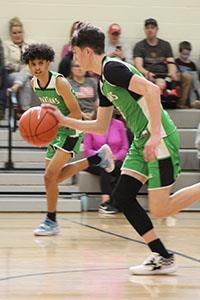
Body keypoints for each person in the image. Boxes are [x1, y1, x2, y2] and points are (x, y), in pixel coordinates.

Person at [42, 23, 200, 275]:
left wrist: (156, 134)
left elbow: (151, 89)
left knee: (160, 209)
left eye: (74, 52)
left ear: (86, 52)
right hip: (142, 139)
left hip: (159, 137)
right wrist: (63, 120)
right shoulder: (103, 82)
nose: (73, 57)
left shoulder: (113, 69)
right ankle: (162, 255)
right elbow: (100, 125)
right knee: (124, 196)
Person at [22, 43, 115, 236]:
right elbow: (46, 109)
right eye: (33, 64)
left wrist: (58, 124)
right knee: (52, 179)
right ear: (28, 66)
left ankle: (51, 220)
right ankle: (97, 159)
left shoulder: (60, 83)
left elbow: (76, 113)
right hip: (55, 132)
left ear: (48, 62)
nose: (37, 67)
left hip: (71, 129)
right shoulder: (34, 83)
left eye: (41, 63)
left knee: (49, 177)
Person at [133, 18, 191, 108]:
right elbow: (138, 66)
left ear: (157, 30)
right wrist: (147, 73)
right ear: (145, 30)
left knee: (187, 77)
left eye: (152, 28)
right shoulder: (139, 46)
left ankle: (181, 103)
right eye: (147, 28)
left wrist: (171, 74)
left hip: (165, 75)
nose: (150, 30)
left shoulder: (165, 45)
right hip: (148, 75)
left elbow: (171, 62)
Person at [84, 115, 129, 213]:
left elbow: (125, 147)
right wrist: (103, 156)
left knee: (122, 169)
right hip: (96, 161)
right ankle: (105, 202)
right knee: (105, 165)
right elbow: (87, 150)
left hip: (116, 160)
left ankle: (117, 201)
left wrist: (116, 156)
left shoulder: (119, 125)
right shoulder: (90, 125)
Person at [175, 41, 200, 109]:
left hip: (191, 83)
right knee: (191, 76)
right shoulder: (176, 62)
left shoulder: (192, 64)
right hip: (181, 80)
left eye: (187, 54)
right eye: (183, 54)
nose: (185, 56)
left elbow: (196, 80)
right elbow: (175, 74)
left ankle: (193, 102)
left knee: (194, 77)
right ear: (180, 52)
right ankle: (192, 102)